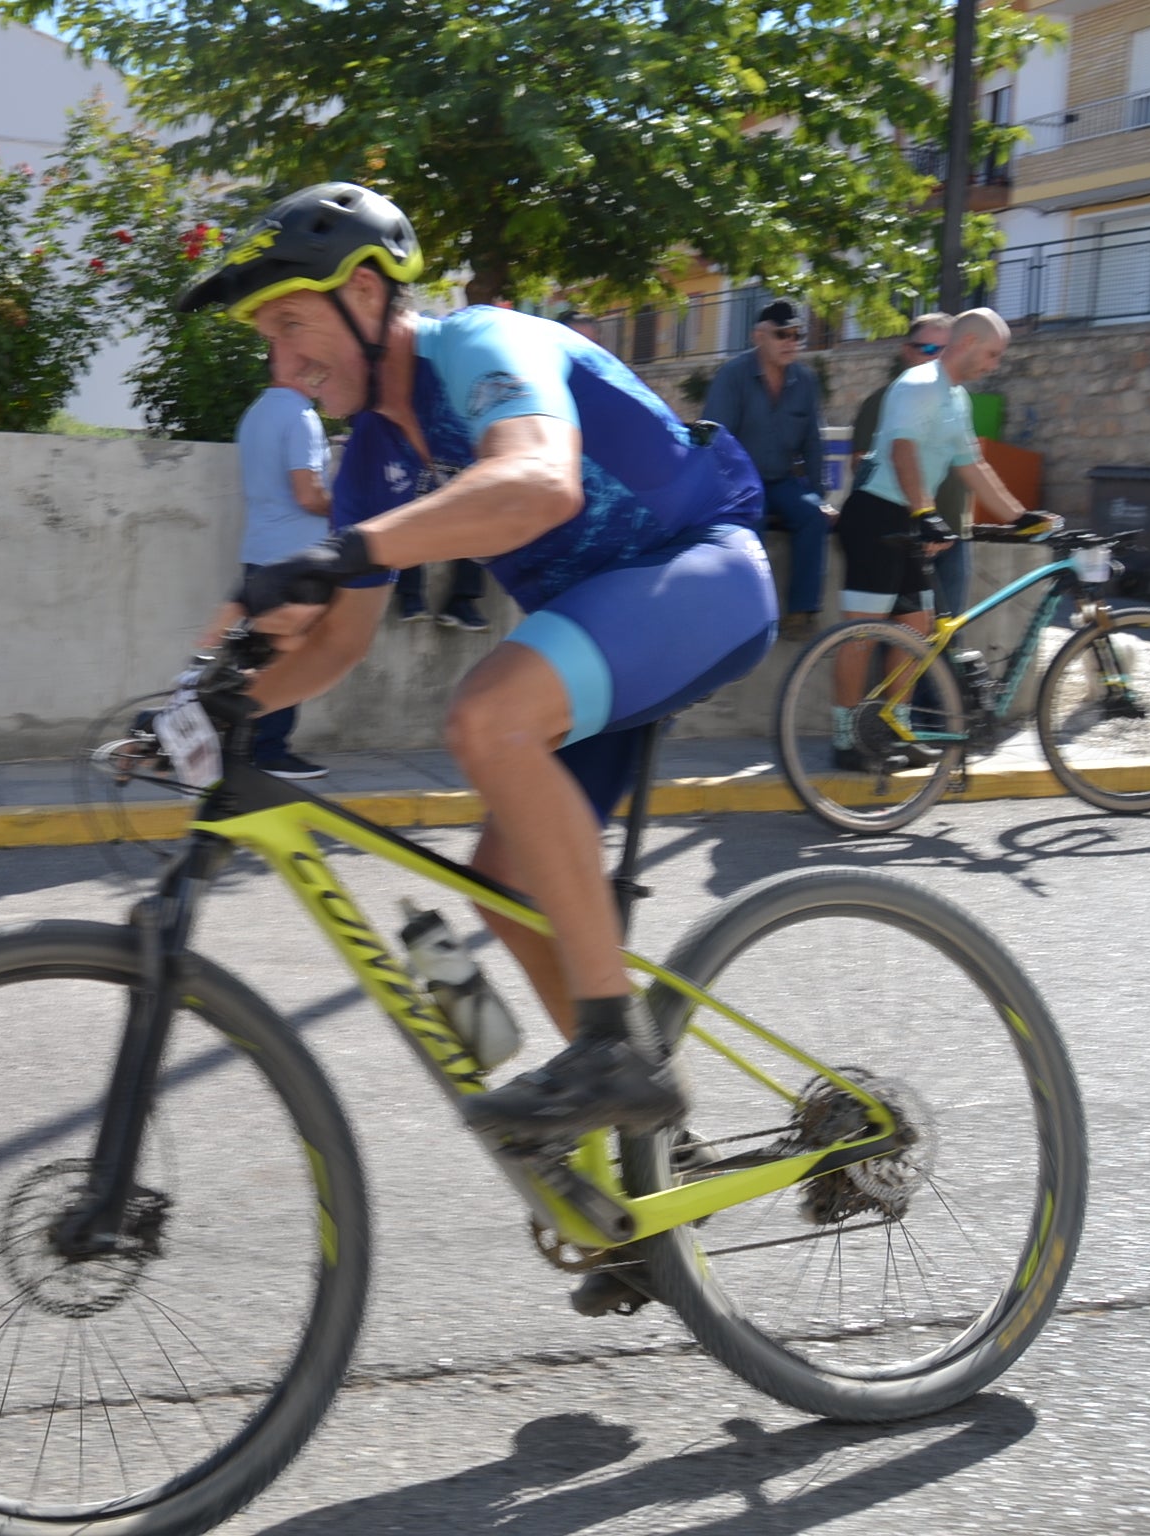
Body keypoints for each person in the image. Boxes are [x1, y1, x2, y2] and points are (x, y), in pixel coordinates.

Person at [179, 184, 776, 1252]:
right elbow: (338, 645)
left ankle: (615, 1049)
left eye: (291, 325)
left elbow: (538, 481)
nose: (282, 365)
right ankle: (641, 1156)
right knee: (497, 886)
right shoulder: (374, 460)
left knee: (486, 716)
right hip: (599, 633)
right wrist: (209, 704)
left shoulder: (480, 343)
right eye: (267, 339)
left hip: (703, 574)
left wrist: (342, 551)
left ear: (366, 293)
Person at [831, 308, 1057, 770]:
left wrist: (1020, 516)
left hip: (909, 517)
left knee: (915, 630)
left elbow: (973, 466)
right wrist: (925, 512)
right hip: (875, 515)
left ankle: (897, 728)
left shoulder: (958, 400)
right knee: (862, 636)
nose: (994, 364)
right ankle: (844, 739)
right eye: (993, 354)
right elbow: (902, 449)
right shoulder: (919, 384)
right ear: (969, 342)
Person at [700, 298, 830, 642]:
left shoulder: (805, 380)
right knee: (749, 527)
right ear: (759, 336)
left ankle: (802, 612)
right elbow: (715, 440)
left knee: (813, 517)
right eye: (782, 334)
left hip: (782, 479)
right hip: (741, 483)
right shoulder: (733, 375)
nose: (791, 342)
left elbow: (813, 443)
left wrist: (819, 494)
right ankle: (750, 617)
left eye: (797, 334)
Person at [235, 349, 334, 778]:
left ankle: (243, 749)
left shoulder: (256, 412)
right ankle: (270, 753)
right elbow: (309, 495)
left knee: (260, 658)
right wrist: (351, 510)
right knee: (290, 658)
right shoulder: (301, 417)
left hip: (260, 552)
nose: (322, 374)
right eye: (317, 366)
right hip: (296, 559)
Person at [849, 313, 974, 616]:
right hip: (910, 530)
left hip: (953, 534)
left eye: (946, 349)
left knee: (946, 639)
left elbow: (971, 463)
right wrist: (917, 514)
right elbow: (862, 463)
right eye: (928, 349)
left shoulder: (958, 397)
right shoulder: (885, 398)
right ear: (907, 351)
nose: (938, 357)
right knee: (886, 636)